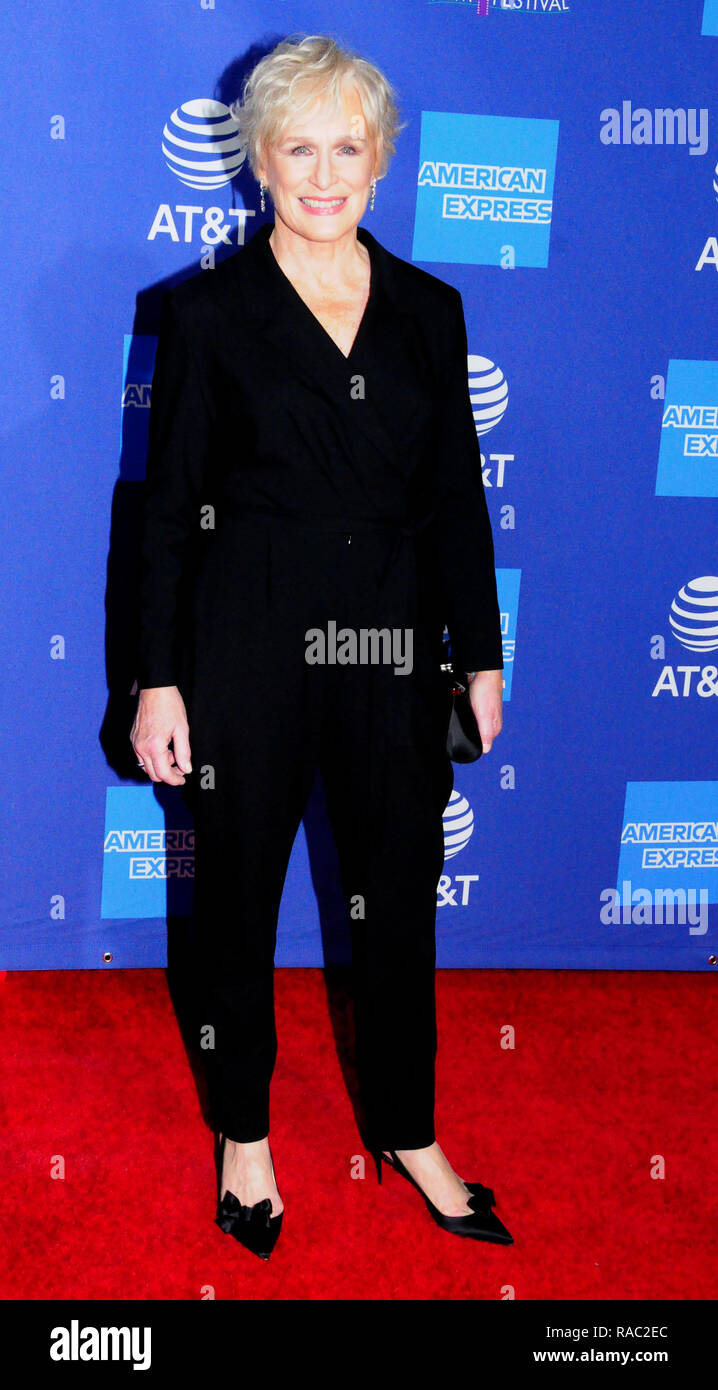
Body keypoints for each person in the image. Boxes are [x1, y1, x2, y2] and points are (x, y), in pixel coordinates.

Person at [131, 33, 512, 1260]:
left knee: (400, 904)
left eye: (348, 145)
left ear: (384, 158)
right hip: (244, 648)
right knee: (233, 906)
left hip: (395, 652)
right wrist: (157, 676)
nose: (324, 171)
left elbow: (456, 491)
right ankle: (244, 1131)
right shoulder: (207, 315)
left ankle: (407, 1128)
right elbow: (161, 513)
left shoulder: (428, 311)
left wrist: (480, 653)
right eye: (298, 145)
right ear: (257, 161)